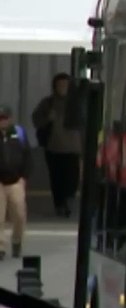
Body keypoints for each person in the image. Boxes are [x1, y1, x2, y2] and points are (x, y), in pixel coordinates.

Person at [33, 73, 81, 217]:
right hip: (53, 147)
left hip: (73, 148)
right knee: (56, 178)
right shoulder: (47, 103)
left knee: (72, 178)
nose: (62, 88)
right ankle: (59, 204)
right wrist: (48, 118)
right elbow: (36, 120)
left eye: (65, 85)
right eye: (60, 85)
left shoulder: (76, 103)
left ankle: (68, 201)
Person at [0, 104, 30, 260]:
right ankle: (0, 247)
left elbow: (27, 156)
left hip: (15, 180)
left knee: (19, 214)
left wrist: (24, 177)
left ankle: (17, 241)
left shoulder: (19, 133)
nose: (2, 122)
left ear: (9, 119)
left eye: (4, 118)